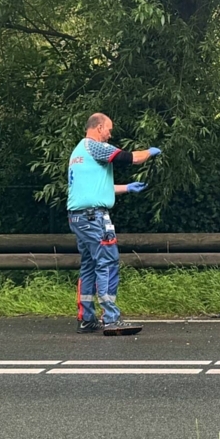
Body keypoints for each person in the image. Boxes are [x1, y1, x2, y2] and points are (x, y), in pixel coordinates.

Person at [67, 112, 161, 335]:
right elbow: (131, 158)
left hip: (78, 217)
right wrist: (150, 152)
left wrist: (127, 188)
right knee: (108, 262)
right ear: (98, 127)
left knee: (89, 265)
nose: (110, 134)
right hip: (94, 217)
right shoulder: (95, 146)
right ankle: (111, 318)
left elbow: (95, 189)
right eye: (109, 129)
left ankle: (86, 318)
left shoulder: (78, 152)